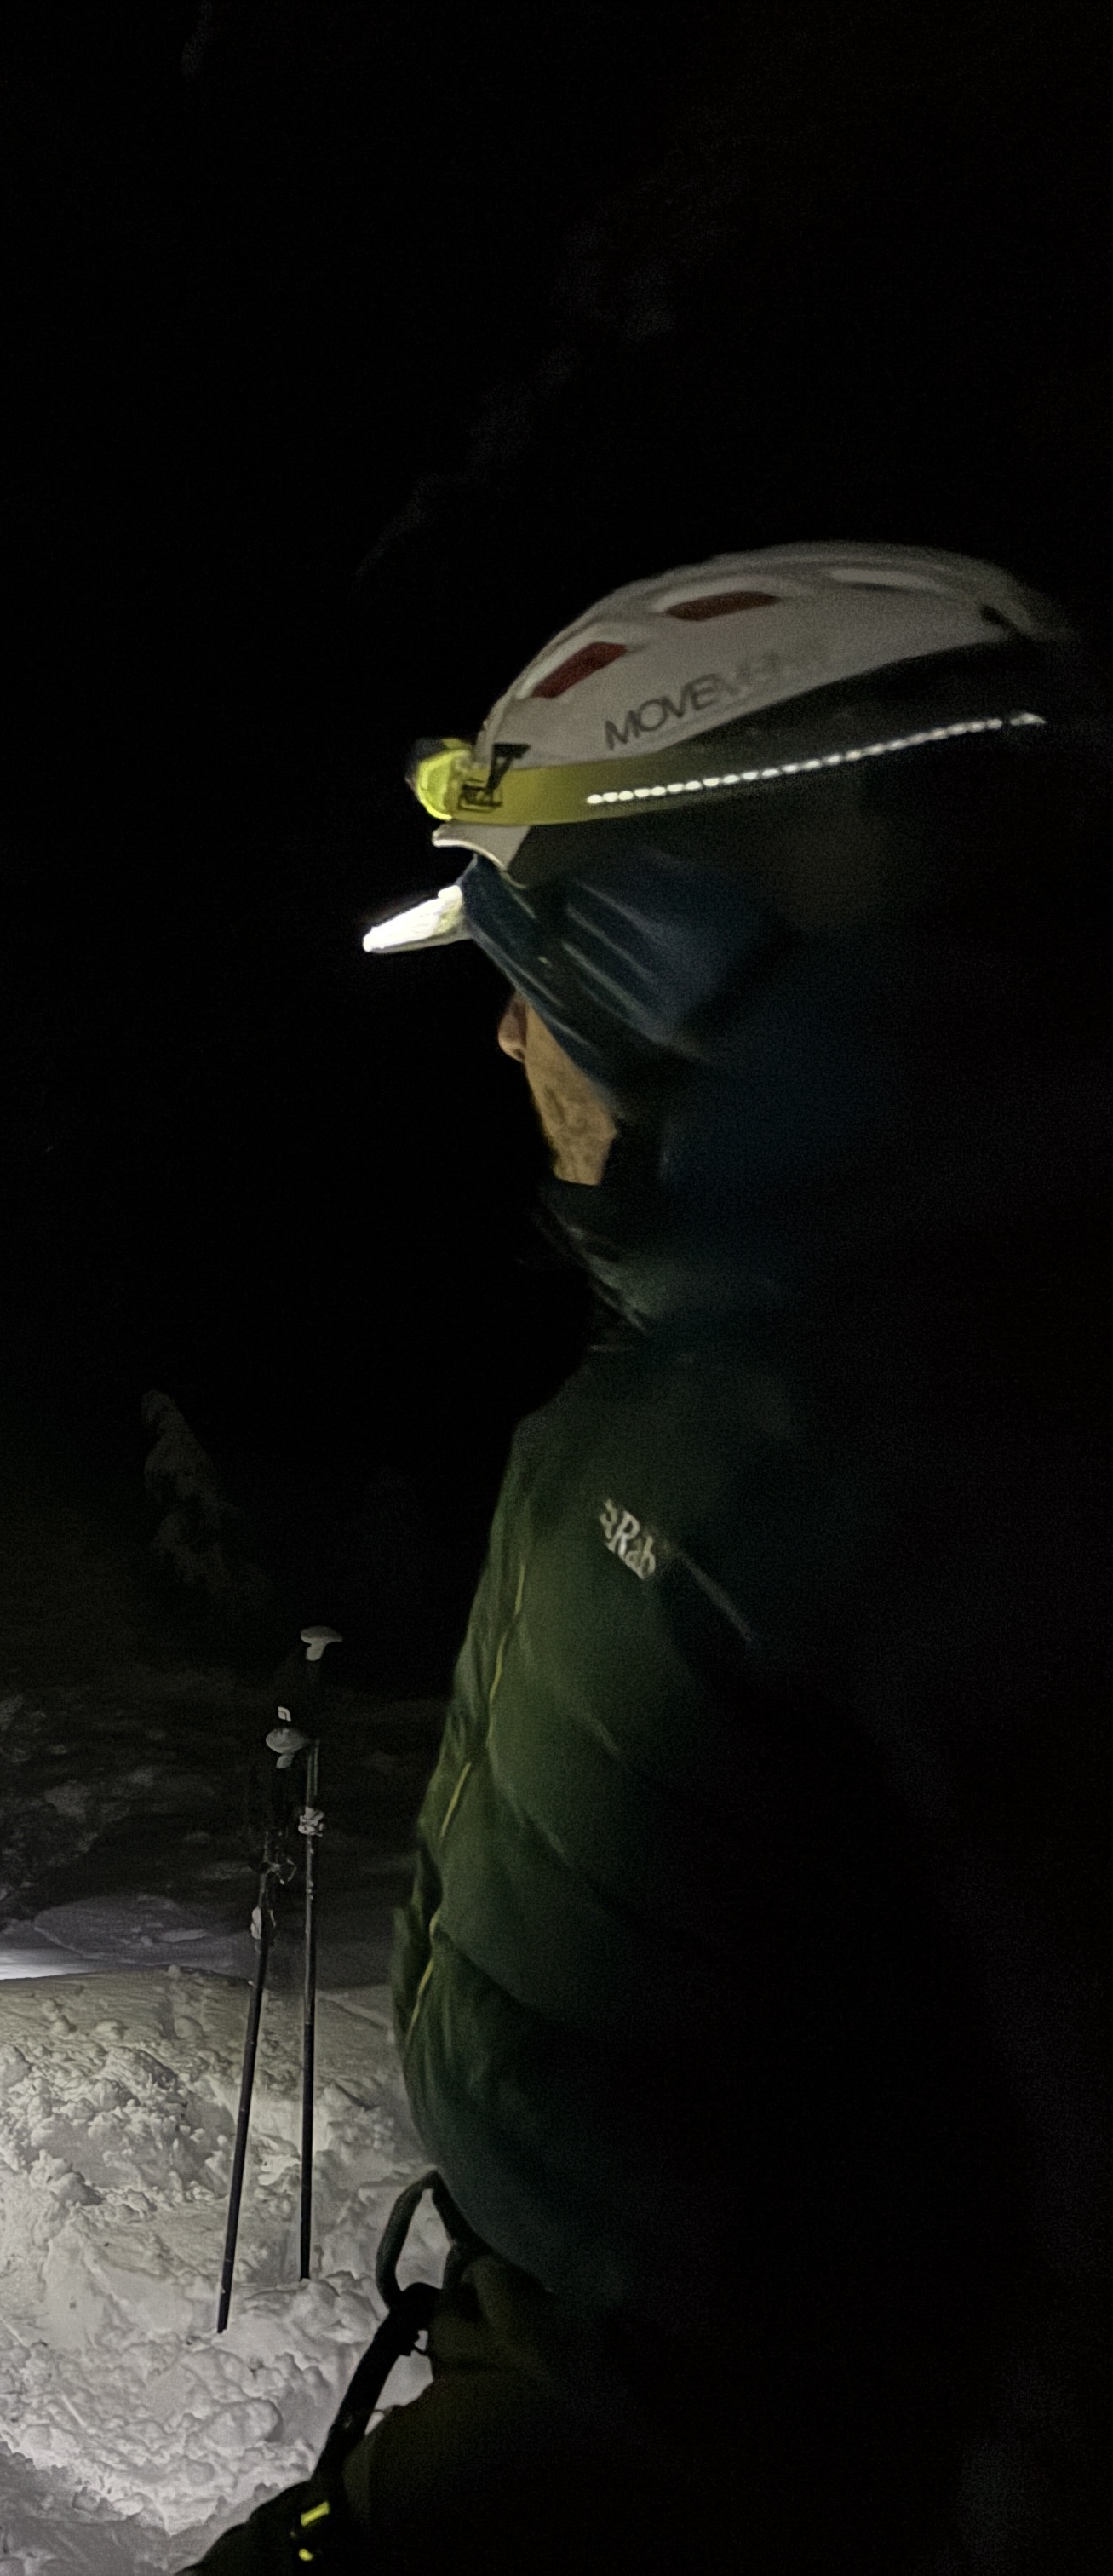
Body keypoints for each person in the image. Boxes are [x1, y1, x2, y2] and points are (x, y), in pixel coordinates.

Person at [192, 545, 1113, 2573]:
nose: (505, 1045)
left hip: (709, 2468)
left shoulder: (939, 1425)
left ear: (666, 956)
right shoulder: (764, 1365)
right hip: (605, 2391)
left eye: (527, 978)